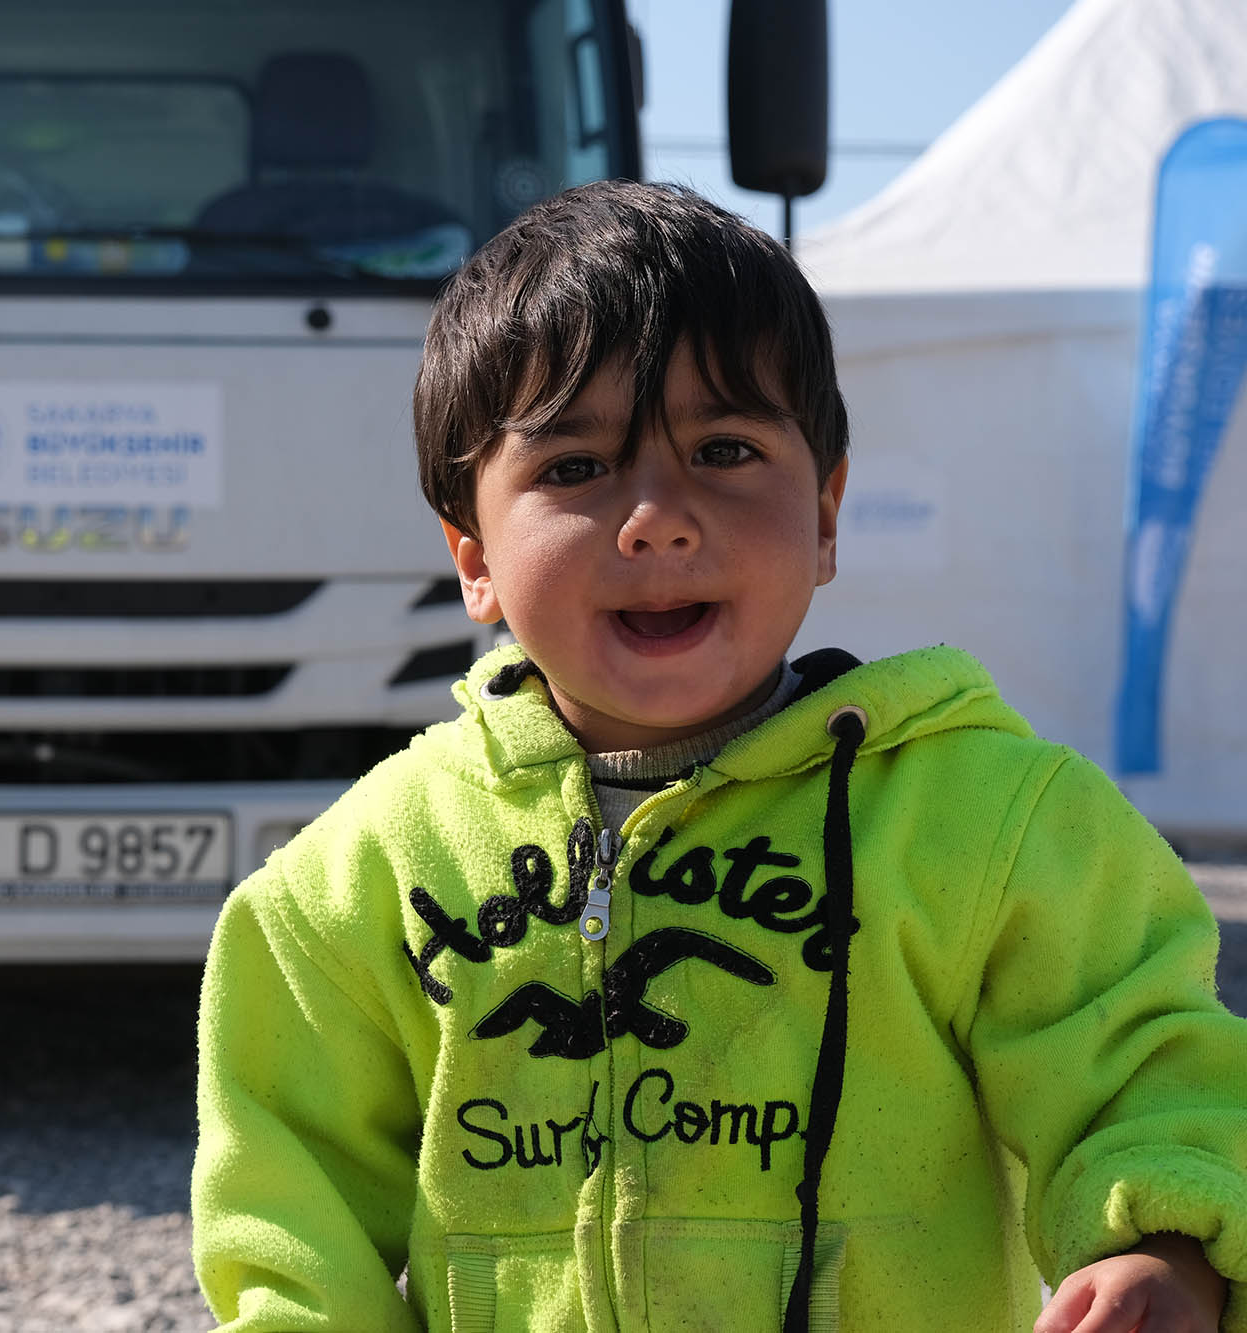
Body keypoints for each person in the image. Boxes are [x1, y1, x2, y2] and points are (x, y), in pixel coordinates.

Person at [191, 182, 1247, 1332]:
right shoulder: (352, 882)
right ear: (472, 558)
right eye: (575, 468)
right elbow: (291, 1226)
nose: (656, 516)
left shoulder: (996, 827)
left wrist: (1167, 1245)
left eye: (723, 447)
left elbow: (1141, 1067)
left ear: (827, 514)